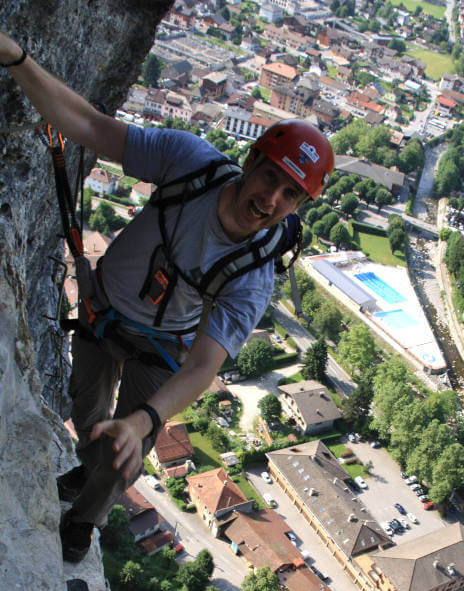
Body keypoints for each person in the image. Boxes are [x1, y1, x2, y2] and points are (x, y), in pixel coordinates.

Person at [0, 31, 334, 562]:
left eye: (290, 193)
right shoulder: (189, 164)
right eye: (270, 176)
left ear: (299, 205)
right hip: (101, 312)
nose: (270, 199)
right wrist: (17, 58)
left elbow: (204, 367)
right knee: (87, 417)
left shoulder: (253, 276)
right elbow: (88, 125)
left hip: (160, 349)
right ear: (250, 162)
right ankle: (86, 471)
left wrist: (145, 421)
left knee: (124, 449)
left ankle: (83, 520)